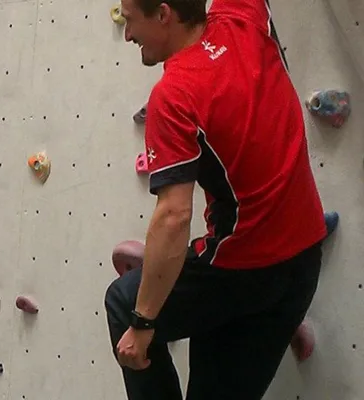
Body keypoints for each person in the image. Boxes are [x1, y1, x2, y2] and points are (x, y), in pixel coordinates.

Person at [105, 0, 326, 399]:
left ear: (164, 14)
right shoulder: (240, 17)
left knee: (123, 303)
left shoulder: (174, 97)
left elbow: (173, 217)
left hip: (241, 268)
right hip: (303, 259)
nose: (128, 34)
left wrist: (142, 323)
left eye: (131, 21)